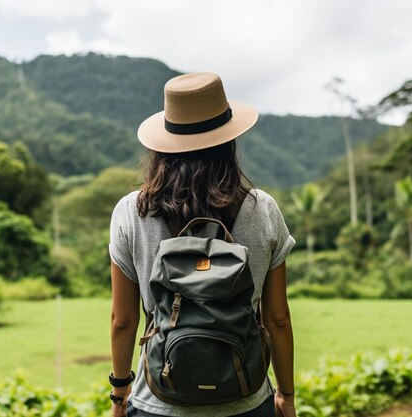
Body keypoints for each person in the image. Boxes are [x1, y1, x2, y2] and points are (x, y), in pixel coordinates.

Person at [109, 72, 298, 417]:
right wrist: (286, 393)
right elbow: (278, 318)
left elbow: (123, 320)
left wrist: (119, 393)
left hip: (156, 400)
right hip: (246, 398)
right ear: (229, 141)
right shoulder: (262, 208)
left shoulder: (131, 212)